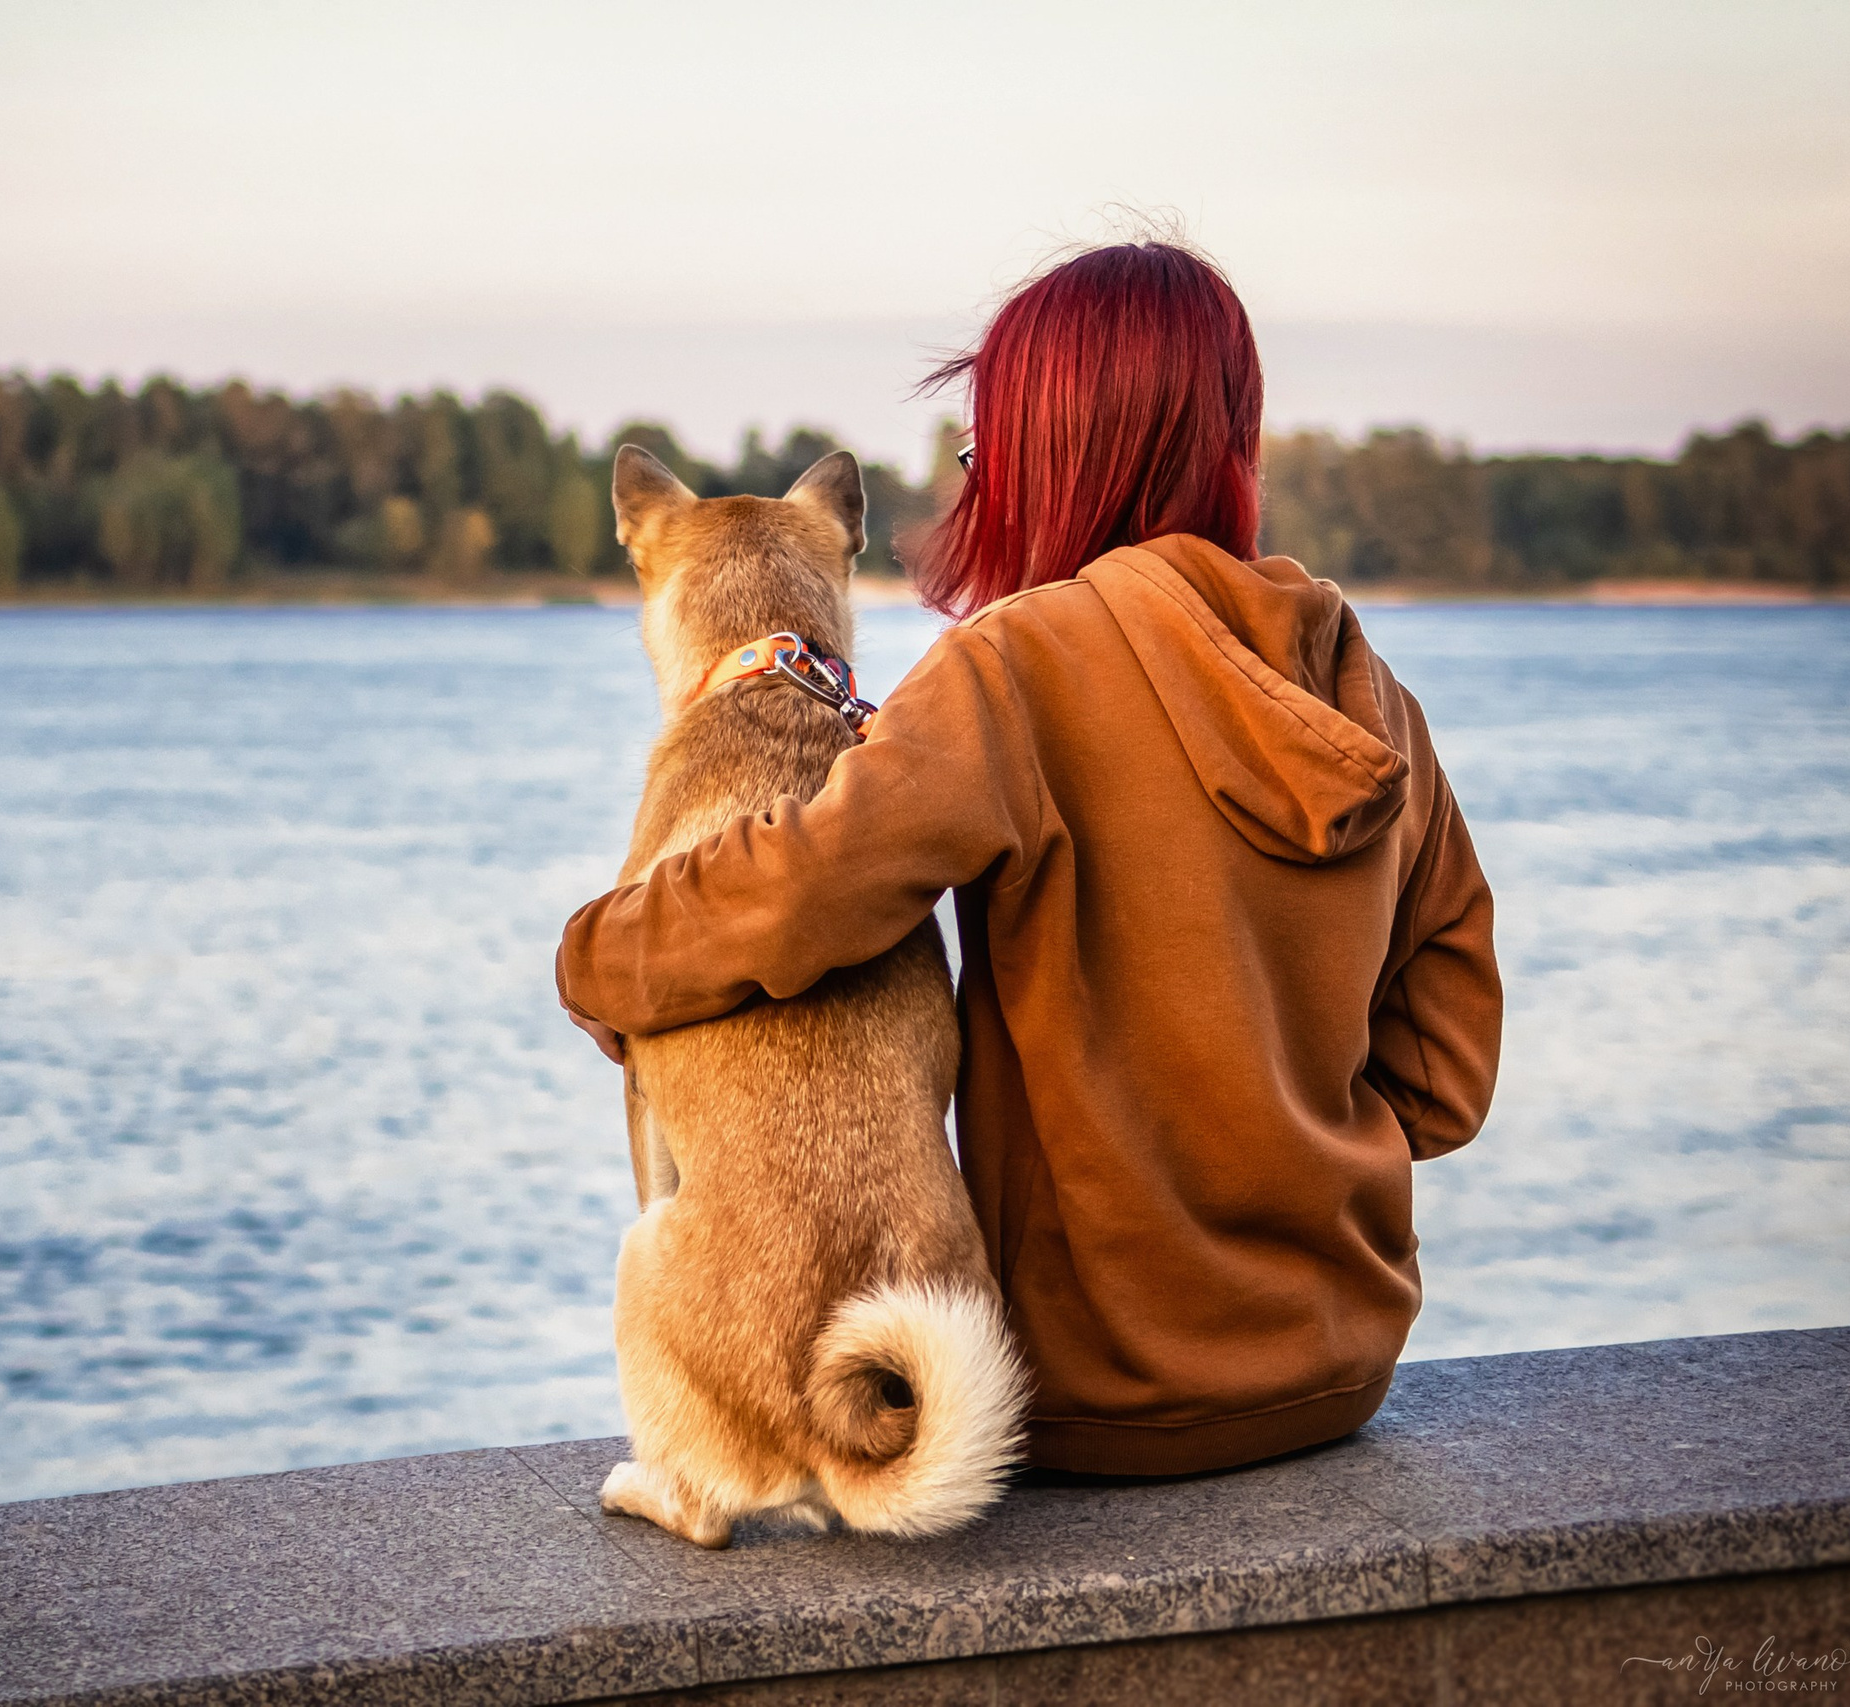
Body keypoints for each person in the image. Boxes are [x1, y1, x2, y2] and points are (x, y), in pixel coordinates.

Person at [555, 241, 1502, 1477]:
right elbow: (1447, 1080)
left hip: (1083, 1398)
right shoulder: (1372, 696)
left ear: (1049, 457)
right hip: (1337, 1373)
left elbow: (790, 896)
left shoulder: (1015, 673)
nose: (974, 482)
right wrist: (1268, 1129)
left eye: (979, 451)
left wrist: (595, 957)